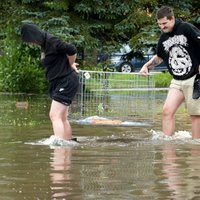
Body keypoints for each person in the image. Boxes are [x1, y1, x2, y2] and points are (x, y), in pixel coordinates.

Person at [140, 6, 200, 138]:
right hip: (177, 80)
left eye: (164, 23)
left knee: (196, 115)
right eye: (159, 24)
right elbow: (160, 57)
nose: (162, 26)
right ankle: (168, 146)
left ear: (172, 18)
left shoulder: (186, 28)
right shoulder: (163, 37)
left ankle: (196, 149)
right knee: (167, 111)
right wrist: (146, 66)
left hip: (195, 78)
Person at [21, 23, 79, 141]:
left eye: (31, 40)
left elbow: (72, 49)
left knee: (54, 115)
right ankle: (67, 144)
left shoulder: (52, 41)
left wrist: (71, 63)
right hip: (59, 82)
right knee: (62, 117)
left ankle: (58, 144)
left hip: (66, 81)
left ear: (34, 35)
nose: (32, 43)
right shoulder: (44, 45)